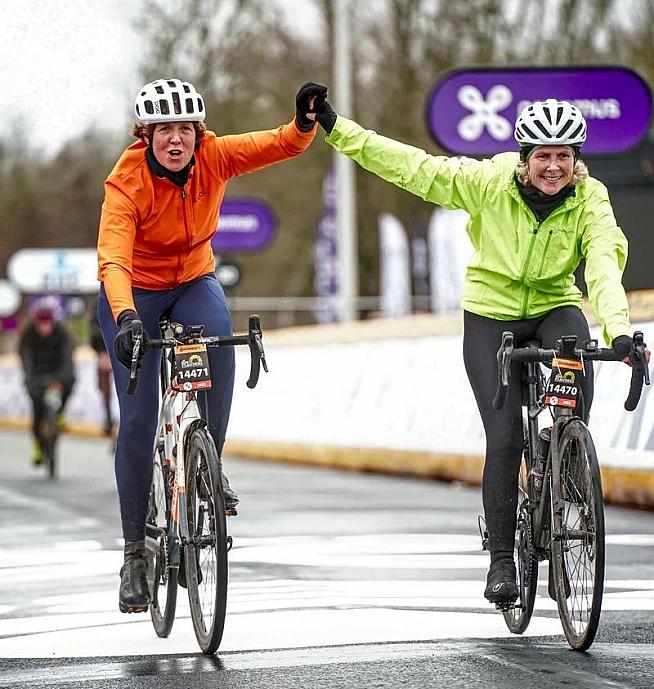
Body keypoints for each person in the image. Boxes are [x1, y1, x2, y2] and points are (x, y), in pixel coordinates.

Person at [306, 96, 647, 605]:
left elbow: (603, 262)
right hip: (491, 314)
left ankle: (564, 456)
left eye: (563, 156)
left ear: (576, 159)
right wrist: (337, 128)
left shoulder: (590, 198)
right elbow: (412, 168)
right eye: (543, 156)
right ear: (525, 158)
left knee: (576, 383)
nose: (553, 167)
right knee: (505, 438)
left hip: (555, 306)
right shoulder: (488, 182)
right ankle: (503, 561)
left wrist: (619, 331)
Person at [97, 78, 325, 614]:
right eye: (163, 131)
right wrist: (127, 317)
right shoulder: (125, 182)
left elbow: (278, 144)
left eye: (184, 129)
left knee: (220, 347)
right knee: (138, 419)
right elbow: (113, 259)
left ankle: (207, 463)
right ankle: (134, 554)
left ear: (198, 133)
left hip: (193, 281)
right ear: (145, 135)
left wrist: (303, 123)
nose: (175, 140)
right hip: (135, 292)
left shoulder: (215, 157)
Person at [18, 296, 76, 465]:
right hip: (36, 376)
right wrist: (31, 380)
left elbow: (67, 361)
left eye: (47, 324)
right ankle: (37, 445)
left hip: (58, 374)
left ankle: (60, 413)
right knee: (37, 410)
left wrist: (61, 379)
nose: (44, 328)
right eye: (41, 324)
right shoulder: (27, 336)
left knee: (71, 382)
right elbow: (26, 362)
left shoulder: (63, 334)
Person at [89, 296, 115, 436]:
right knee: (104, 388)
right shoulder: (100, 303)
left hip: (128, 349)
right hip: (106, 351)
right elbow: (95, 330)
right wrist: (103, 352)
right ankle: (108, 418)